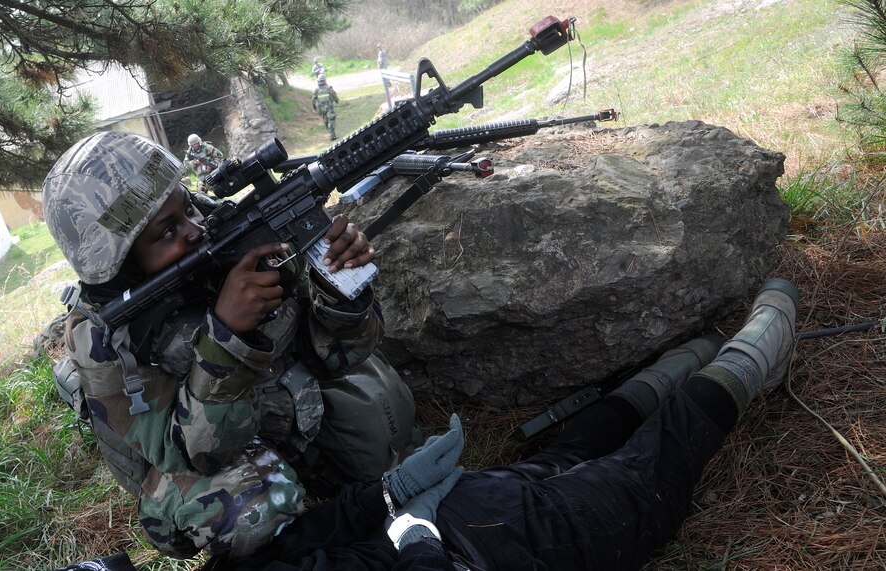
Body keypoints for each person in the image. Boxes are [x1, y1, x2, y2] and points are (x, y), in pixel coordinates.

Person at [201, 278, 799, 570]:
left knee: (646, 480)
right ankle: (705, 347)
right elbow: (303, 539)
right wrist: (405, 519)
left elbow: (299, 538)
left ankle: (761, 335)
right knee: (567, 456)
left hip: (482, 545)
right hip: (464, 514)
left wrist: (398, 499)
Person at [42, 131, 418, 558]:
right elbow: (190, 453)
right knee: (249, 508)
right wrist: (228, 335)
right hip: (189, 460)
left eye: (187, 207)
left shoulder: (226, 235)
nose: (195, 230)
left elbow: (338, 354)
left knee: (382, 434)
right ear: (121, 262)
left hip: (271, 407)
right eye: (167, 231)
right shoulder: (104, 337)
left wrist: (340, 282)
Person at [311, 74, 340, 141]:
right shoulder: (329, 88)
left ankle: (332, 134)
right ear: (325, 80)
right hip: (329, 107)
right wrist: (336, 101)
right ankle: (332, 135)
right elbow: (334, 95)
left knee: (326, 121)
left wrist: (314, 107)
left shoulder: (316, 89)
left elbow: (313, 99)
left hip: (321, 108)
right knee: (331, 120)